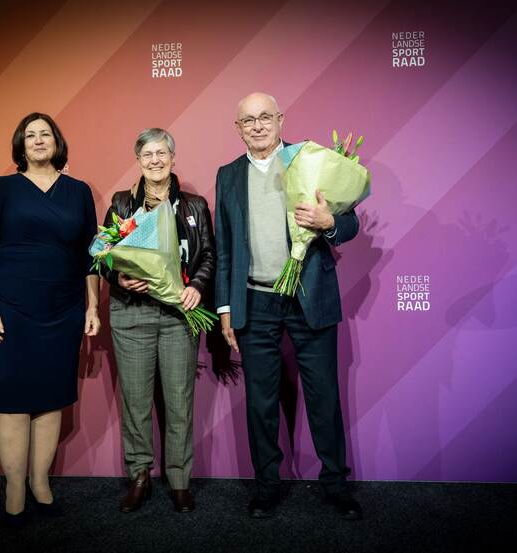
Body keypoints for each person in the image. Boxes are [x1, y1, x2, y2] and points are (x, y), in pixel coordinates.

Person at [214, 92, 362, 520]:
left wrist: (330, 222)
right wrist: (224, 308)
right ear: (237, 128)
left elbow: (350, 220)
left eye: (265, 117)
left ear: (280, 120)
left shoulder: (308, 159)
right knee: (260, 402)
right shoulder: (227, 175)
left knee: (324, 396)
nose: (257, 126)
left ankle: (335, 483)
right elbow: (225, 248)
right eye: (248, 120)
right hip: (254, 301)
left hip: (308, 296)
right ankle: (266, 486)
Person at [0, 112, 100, 526]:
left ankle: (41, 483)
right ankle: (13, 489)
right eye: (31, 135)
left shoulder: (79, 192)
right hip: (11, 309)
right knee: (11, 399)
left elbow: (92, 256)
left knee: (50, 397)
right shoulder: (3, 188)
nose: (39, 140)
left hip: (63, 310)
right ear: (21, 145)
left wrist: (92, 306)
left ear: (57, 142)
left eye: (46, 134)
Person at [103, 128, 215, 513]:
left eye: (162, 153)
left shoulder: (195, 206)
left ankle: (180, 481)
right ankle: (139, 477)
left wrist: (197, 286)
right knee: (135, 402)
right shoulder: (120, 204)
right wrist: (117, 276)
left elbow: (209, 256)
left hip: (178, 315)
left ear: (172, 158)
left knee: (179, 402)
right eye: (147, 154)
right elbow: (101, 257)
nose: (155, 160)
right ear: (138, 161)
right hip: (131, 315)